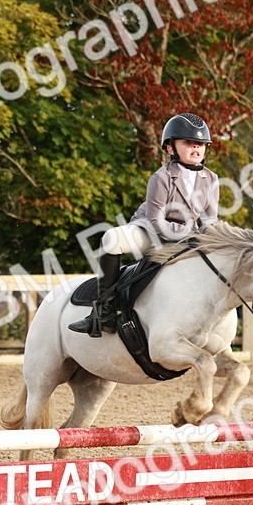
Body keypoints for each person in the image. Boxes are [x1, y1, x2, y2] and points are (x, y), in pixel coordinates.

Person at [69, 112, 220, 337]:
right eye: (188, 143)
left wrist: (212, 237)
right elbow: (155, 220)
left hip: (186, 236)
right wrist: (190, 233)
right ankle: (105, 311)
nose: (195, 148)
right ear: (170, 148)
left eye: (200, 144)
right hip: (150, 230)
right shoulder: (160, 177)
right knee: (111, 239)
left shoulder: (211, 178)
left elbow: (210, 219)